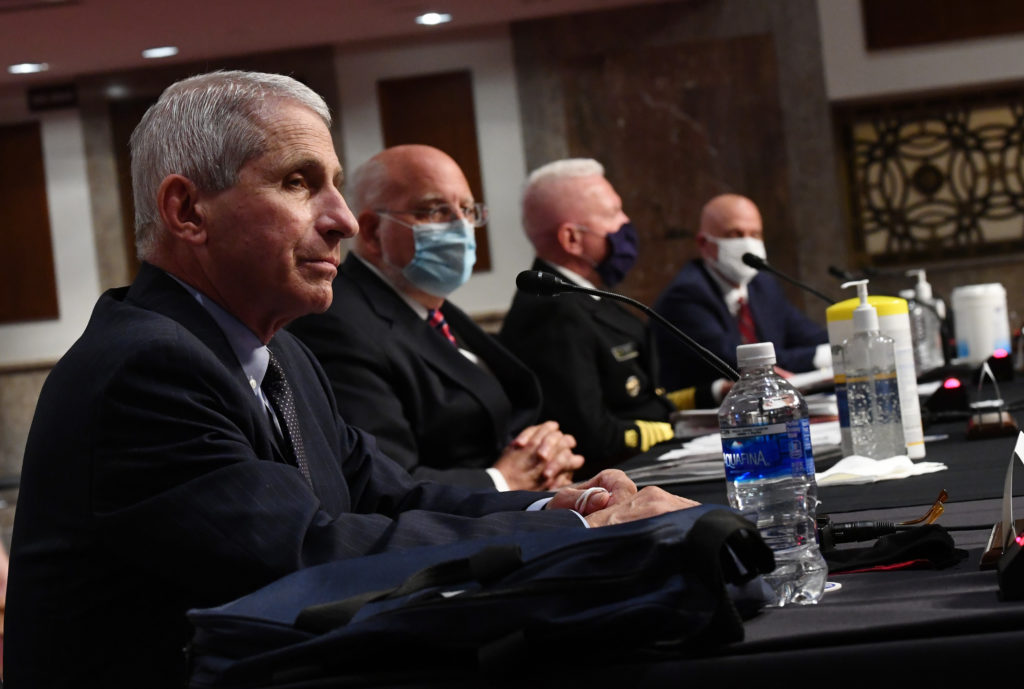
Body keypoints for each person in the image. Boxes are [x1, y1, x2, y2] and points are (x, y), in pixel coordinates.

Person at [2, 71, 698, 688]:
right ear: (188, 211)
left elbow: (384, 489)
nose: (339, 219)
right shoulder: (144, 367)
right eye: (299, 182)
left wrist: (563, 508)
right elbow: (307, 553)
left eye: (333, 183)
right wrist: (576, 538)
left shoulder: (281, 353)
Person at [288, 144, 582, 491]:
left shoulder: (429, 305)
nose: (461, 226)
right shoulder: (336, 323)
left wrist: (545, 454)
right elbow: (381, 481)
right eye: (434, 210)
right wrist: (502, 481)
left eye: (467, 210)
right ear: (370, 232)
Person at [500, 159, 727, 474]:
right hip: (620, 476)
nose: (626, 223)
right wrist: (677, 431)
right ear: (572, 240)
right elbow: (590, 436)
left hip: (648, 461)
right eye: (612, 214)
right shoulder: (552, 312)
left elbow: (642, 400)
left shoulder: (584, 296)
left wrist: (714, 393)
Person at [653, 193, 830, 390]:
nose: (748, 244)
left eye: (755, 234)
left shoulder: (763, 285)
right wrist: (824, 356)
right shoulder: (686, 295)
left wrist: (839, 347)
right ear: (704, 244)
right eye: (735, 235)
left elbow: (808, 335)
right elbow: (741, 361)